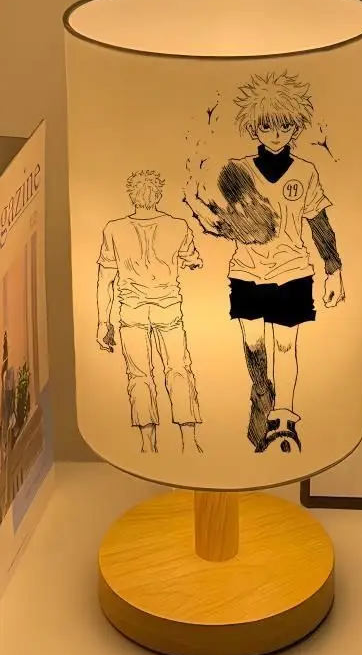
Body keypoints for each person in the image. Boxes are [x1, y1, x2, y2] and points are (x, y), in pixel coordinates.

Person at [185, 71, 345, 453]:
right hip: (246, 271)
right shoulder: (235, 170)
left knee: (286, 346)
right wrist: (215, 218)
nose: (276, 133)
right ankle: (262, 394)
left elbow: (319, 221)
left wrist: (334, 268)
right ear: (254, 126)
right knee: (253, 341)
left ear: (295, 127)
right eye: (267, 125)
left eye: (285, 126)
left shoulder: (305, 172)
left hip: (293, 270)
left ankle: (284, 418)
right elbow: (224, 220)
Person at [96, 169, 203, 454]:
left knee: (139, 375)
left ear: (132, 195)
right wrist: (190, 262)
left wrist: (103, 321)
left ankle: (147, 444)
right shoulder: (178, 226)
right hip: (168, 308)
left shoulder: (114, 229)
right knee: (179, 370)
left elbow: (105, 280)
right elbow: (193, 260)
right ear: (158, 194)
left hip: (131, 310)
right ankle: (189, 441)